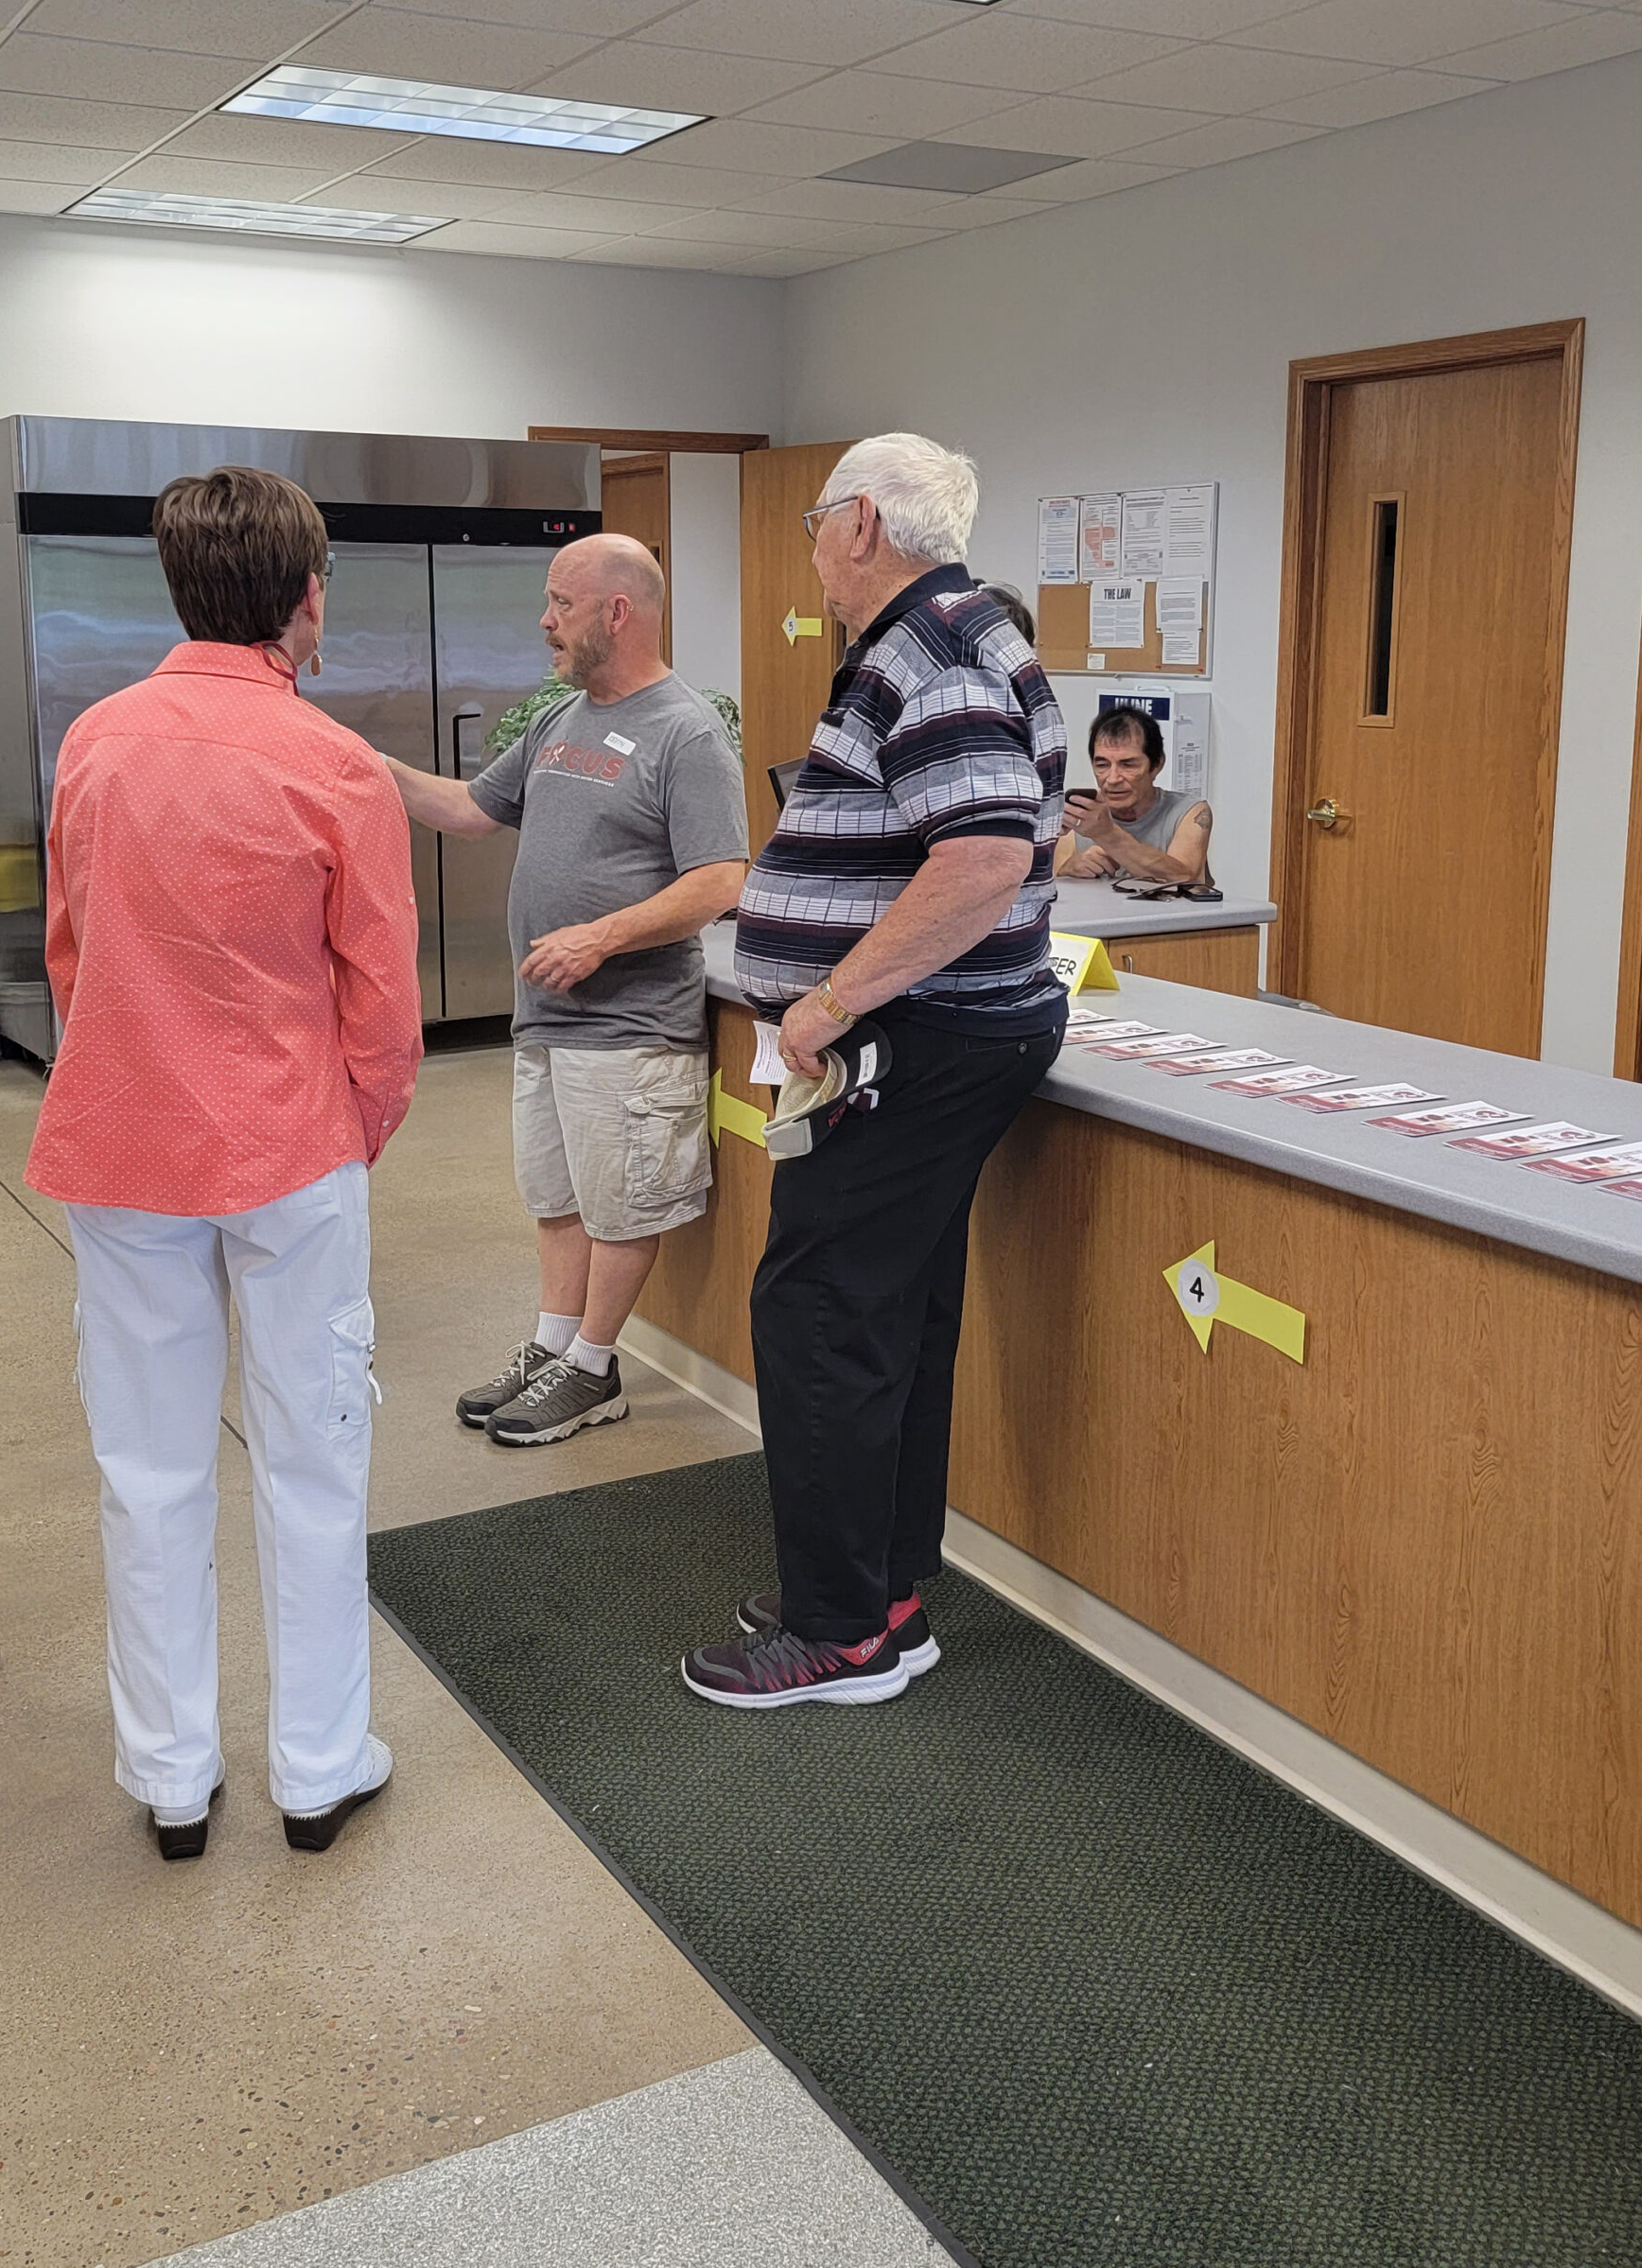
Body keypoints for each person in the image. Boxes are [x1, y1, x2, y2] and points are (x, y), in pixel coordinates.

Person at [26, 465, 421, 1862]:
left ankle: (172, 1777)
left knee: (147, 1465)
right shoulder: (333, 765)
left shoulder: (98, 743)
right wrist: (359, 1123)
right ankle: (318, 1766)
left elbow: (71, 950)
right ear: (306, 601)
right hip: (292, 1147)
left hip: (124, 1141)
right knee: (315, 1450)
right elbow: (379, 989)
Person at [682, 434, 1067, 1711]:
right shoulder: (952, 634)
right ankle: (882, 1590)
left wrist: (836, 998)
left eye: (810, 526)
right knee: (886, 1313)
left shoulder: (932, 649)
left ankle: (843, 1635)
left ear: (860, 525)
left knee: (823, 1316)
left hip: (914, 1036)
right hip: (945, 1030)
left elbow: (984, 858)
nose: (809, 553)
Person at [383, 533, 749, 1448]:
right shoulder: (559, 718)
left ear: (615, 613)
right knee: (556, 1196)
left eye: (560, 603)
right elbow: (470, 810)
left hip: (631, 1027)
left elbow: (721, 879)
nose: (544, 621)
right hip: (546, 1021)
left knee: (620, 1205)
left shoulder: (688, 730)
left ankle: (594, 1367)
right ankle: (551, 1344)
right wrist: (358, 766)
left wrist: (603, 935)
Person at [1057, 706, 1214, 886]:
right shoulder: (1079, 815)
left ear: (1156, 766)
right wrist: (1068, 871)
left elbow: (1185, 877)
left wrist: (1106, 834)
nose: (1113, 779)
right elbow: (1051, 892)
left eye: (1128, 765)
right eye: (1102, 765)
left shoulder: (1188, 812)